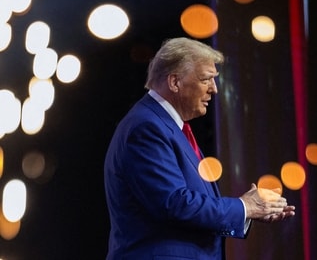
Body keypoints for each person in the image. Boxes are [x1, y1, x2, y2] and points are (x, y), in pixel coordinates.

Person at [103, 37, 296, 259]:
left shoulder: (169, 127)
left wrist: (249, 210)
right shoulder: (146, 127)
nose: (214, 89)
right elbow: (174, 203)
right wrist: (243, 207)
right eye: (206, 79)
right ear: (175, 82)